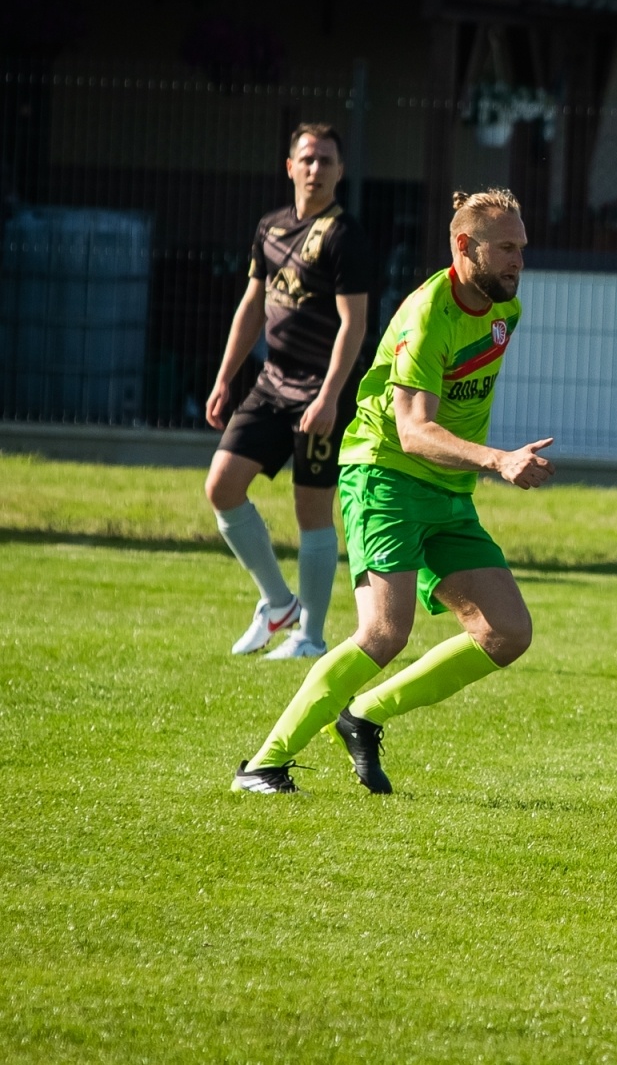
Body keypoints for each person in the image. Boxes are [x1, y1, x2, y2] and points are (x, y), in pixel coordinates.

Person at [232, 188, 553, 795]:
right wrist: (497, 459)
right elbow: (411, 432)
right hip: (384, 475)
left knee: (507, 632)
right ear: (464, 246)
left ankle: (363, 715)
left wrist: (481, 465)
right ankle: (263, 764)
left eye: (522, 248)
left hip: (448, 489)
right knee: (384, 631)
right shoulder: (427, 314)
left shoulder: (505, 310)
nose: (518, 261)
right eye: (506, 248)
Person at [204, 123, 372, 659]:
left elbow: (354, 324)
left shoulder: (347, 236)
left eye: (326, 160)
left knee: (312, 511)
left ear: (340, 171)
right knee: (222, 487)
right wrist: (225, 377)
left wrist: (328, 398)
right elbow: (252, 307)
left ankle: (312, 637)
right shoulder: (270, 228)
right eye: (307, 159)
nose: (316, 169)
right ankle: (278, 605)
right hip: (271, 381)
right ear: (290, 166)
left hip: (321, 391)